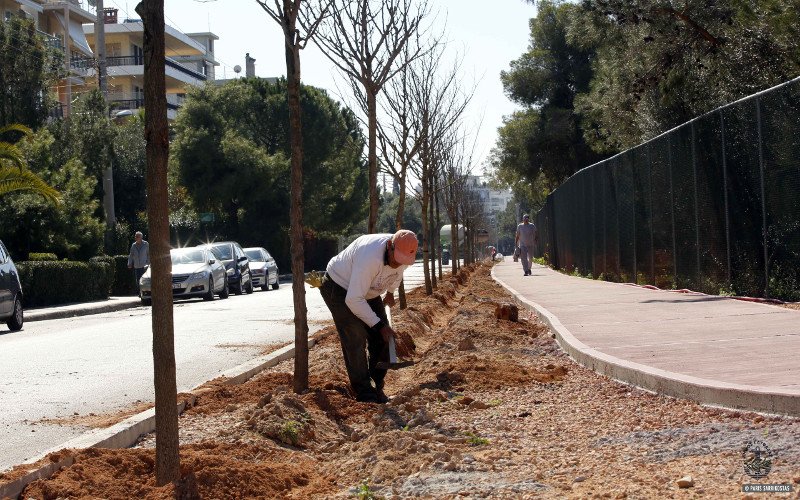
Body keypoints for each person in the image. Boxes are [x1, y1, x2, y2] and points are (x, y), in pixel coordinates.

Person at [320, 229, 418, 403]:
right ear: (389, 246)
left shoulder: (403, 253)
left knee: (383, 339)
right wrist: (379, 325)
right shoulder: (370, 258)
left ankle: (376, 385)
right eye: (396, 259)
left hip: (368, 292)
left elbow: (397, 274)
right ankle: (364, 392)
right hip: (340, 287)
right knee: (355, 336)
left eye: (403, 261)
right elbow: (353, 299)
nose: (397, 264)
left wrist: (390, 292)